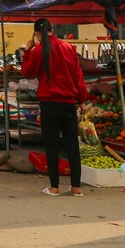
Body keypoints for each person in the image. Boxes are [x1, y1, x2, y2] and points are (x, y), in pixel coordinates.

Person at [22, 18, 87, 196]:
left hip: (49, 104)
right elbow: (78, 76)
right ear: (52, 29)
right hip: (68, 104)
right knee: (72, 145)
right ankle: (76, 188)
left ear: (37, 33)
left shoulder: (38, 51)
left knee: (51, 146)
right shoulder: (68, 48)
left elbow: (27, 72)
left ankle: (54, 187)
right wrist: (82, 100)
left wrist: (27, 51)